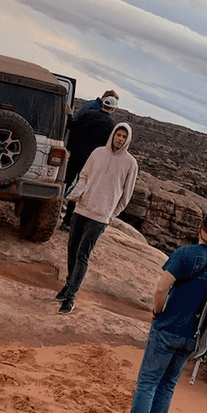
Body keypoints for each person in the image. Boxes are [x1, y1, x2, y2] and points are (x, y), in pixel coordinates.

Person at [115, 213, 207, 413]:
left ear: (199, 229)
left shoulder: (184, 254)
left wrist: (157, 312)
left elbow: (162, 287)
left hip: (168, 328)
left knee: (148, 382)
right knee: (168, 384)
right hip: (194, 337)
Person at [56, 122, 137, 314]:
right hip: (82, 209)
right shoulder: (98, 153)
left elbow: (126, 196)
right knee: (72, 250)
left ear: (128, 140)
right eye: (118, 135)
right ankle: (69, 284)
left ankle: (70, 296)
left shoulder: (130, 163)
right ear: (113, 135)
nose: (120, 139)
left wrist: (110, 214)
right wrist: (78, 193)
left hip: (100, 217)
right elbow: (83, 176)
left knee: (83, 254)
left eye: (124, 137)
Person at [61, 92, 119, 229]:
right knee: (79, 188)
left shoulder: (88, 114)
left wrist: (69, 114)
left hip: (75, 155)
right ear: (113, 109)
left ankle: (52, 209)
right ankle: (67, 221)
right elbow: (108, 147)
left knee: (65, 182)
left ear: (103, 104)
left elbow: (71, 126)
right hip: (91, 161)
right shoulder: (111, 125)